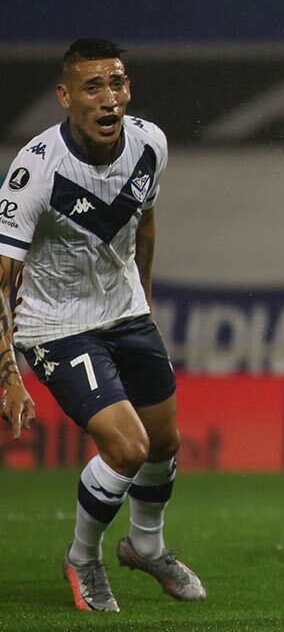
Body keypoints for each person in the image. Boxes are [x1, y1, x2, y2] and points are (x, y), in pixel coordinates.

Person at [0, 38, 205, 612]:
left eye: (117, 84)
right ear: (65, 97)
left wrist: (145, 303)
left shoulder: (150, 144)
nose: (109, 98)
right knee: (129, 447)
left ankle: (145, 545)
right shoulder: (36, 170)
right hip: (56, 326)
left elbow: (146, 224)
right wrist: (7, 374)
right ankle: (83, 557)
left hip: (127, 313)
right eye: (94, 87)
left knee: (166, 441)